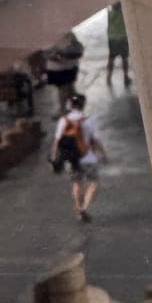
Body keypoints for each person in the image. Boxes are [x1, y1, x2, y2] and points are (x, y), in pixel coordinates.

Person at [52, 93, 106, 222]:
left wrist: (54, 156)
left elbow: (57, 140)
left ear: (71, 105)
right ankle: (84, 208)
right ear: (83, 105)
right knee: (93, 183)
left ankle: (78, 207)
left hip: (72, 158)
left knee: (76, 183)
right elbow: (96, 140)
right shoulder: (89, 120)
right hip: (88, 158)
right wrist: (103, 154)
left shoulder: (64, 120)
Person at [106, 2, 131, 87]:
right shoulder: (123, 11)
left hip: (112, 38)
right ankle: (126, 77)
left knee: (111, 58)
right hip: (122, 37)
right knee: (124, 58)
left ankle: (108, 77)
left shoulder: (110, 11)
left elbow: (108, 25)